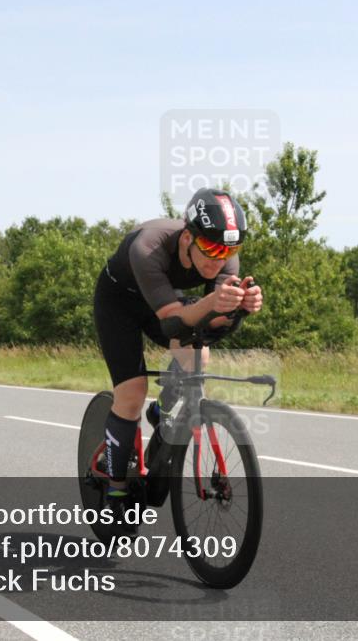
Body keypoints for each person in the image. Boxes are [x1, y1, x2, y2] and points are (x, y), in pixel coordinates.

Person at [93, 188, 263, 534]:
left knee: (198, 353)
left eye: (229, 251)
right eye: (212, 249)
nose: (220, 259)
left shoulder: (223, 255)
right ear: (188, 237)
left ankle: (165, 411)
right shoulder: (148, 247)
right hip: (121, 305)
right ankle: (115, 488)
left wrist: (238, 310)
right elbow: (173, 321)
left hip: (168, 302)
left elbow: (210, 325)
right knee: (132, 394)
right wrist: (216, 302)